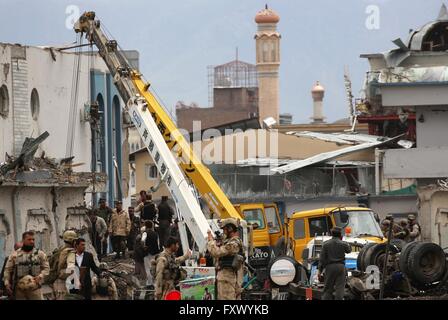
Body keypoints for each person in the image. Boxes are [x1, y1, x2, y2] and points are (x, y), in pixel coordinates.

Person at [3, 231, 49, 300]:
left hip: (34, 288)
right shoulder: (14, 255)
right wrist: (7, 283)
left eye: (33, 239)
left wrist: (40, 276)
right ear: (23, 240)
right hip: (19, 290)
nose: (32, 241)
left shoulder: (40, 254)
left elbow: (46, 269)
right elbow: (7, 270)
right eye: (29, 239)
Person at [207, 218, 244, 300]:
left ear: (230, 229)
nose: (223, 232)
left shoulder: (234, 243)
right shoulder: (230, 242)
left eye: (224, 229)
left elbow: (216, 252)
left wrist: (210, 241)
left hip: (227, 279)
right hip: (226, 278)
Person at [318, 226, 351, 300]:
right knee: (340, 289)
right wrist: (344, 241)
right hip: (341, 267)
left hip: (329, 268)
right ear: (340, 235)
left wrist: (319, 270)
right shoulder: (343, 243)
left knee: (328, 289)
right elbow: (349, 250)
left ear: (332, 234)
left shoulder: (325, 244)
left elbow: (322, 259)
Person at [51, 230, 78, 300]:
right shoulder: (71, 252)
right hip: (66, 281)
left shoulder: (59, 250)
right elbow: (71, 269)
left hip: (56, 280)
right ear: (74, 241)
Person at [142, 220, 161, 287]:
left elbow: (142, 240)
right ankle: (155, 282)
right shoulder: (156, 233)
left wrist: (144, 247)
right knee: (155, 268)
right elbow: (158, 244)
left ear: (146, 226)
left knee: (148, 268)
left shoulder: (145, 233)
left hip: (148, 253)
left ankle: (150, 282)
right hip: (155, 253)